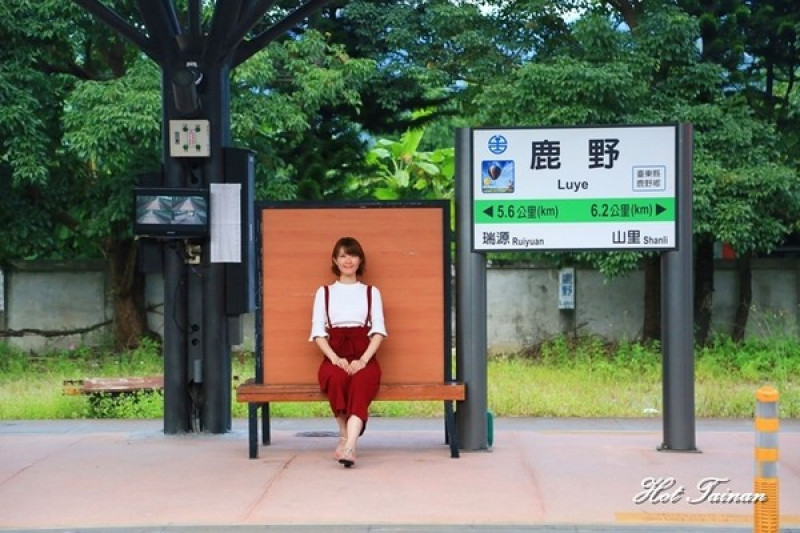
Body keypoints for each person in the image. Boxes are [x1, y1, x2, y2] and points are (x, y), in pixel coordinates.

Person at [309, 236, 387, 467]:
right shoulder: (324, 292)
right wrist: (335, 359)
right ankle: (344, 434)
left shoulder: (371, 292)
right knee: (335, 379)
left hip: (365, 356)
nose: (348, 260)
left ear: (360, 260)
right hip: (334, 356)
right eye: (343, 255)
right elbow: (318, 332)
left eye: (352, 255)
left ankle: (350, 446)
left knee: (360, 384)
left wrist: (363, 360)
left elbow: (378, 331)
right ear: (335, 260)